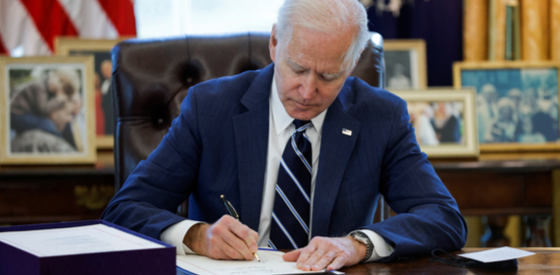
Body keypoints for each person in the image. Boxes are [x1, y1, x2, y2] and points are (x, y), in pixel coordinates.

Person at [102, 0, 466, 271]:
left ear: (352, 63)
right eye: (297, 68)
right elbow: (124, 210)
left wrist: (359, 245)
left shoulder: (381, 116)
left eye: (328, 76)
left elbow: (443, 217)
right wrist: (197, 235)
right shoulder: (210, 107)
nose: (307, 91)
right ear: (275, 44)